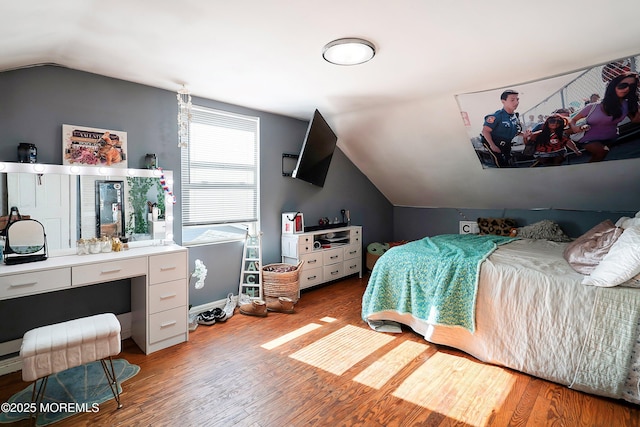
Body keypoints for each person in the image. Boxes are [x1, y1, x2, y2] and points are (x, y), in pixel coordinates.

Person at [569, 72, 640, 162]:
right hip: (589, 138)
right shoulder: (593, 106)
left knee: (599, 158)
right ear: (613, 86)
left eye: (632, 86)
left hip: (610, 138)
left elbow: (634, 120)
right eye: (623, 85)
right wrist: (575, 127)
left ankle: (590, 173)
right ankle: (587, 173)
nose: (627, 89)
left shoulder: (628, 105)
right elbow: (573, 120)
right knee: (601, 153)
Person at [481, 89, 526, 167]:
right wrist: (492, 145)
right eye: (512, 100)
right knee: (500, 162)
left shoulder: (515, 117)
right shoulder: (496, 116)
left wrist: (525, 135)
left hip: (506, 143)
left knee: (508, 160)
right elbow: (485, 131)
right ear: (503, 101)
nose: (516, 102)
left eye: (517, 99)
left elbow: (515, 132)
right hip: (492, 141)